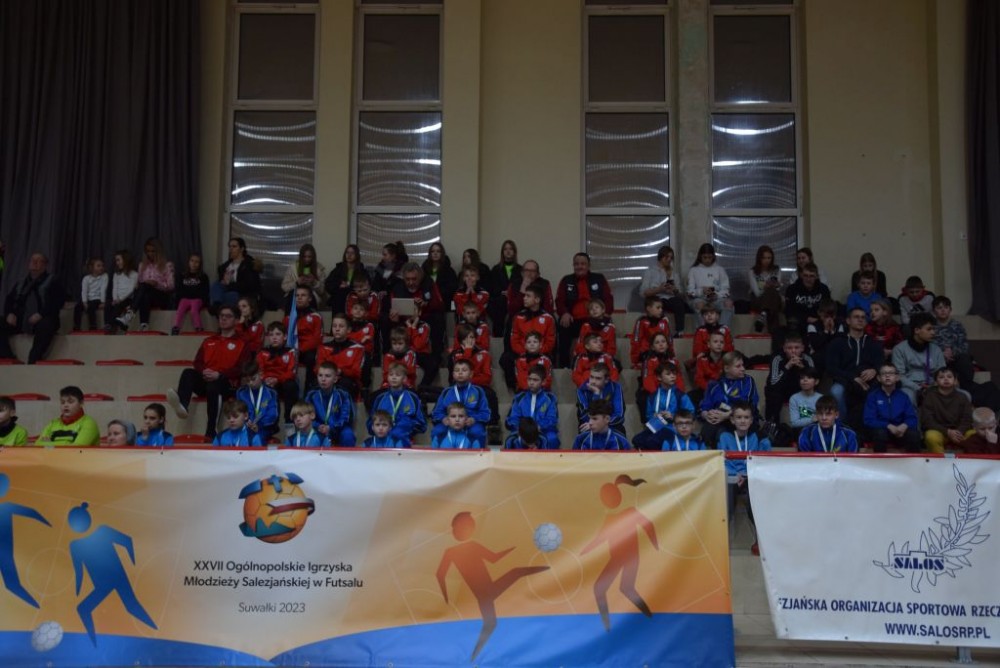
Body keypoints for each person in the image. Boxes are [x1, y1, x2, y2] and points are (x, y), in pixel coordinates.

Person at [166, 304, 250, 439]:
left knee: (214, 385)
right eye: (221, 316)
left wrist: (220, 374)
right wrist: (204, 371)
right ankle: (183, 405)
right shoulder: (209, 340)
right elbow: (197, 362)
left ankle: (211, 430)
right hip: (207, 380)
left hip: (228, 384)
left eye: (228, 316)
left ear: (236, 320)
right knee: (188, 372)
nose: (223, 319)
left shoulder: (242, 342)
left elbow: (242, 368)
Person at [718, 400, 771, 556]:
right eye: (739, 417)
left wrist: (748, 474)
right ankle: (720, 540)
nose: (742, 421)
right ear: (732, 420)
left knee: (753, 502)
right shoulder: (725, 436)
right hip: (732, 477)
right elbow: (722, 459)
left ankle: (761, 540)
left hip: (751, 476)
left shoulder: (758, 437)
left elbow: (765, 458)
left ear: (751, 420)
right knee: (726, 500)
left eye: (746, 417)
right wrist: (735, 475)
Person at [0, 253, 66, 364]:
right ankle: (8, 357)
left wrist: (41, 314)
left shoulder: (53, 280)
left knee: (46, 325)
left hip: (43, 318)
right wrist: (9, 314)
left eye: (38, 261)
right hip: (20, 320)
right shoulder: (21, 283)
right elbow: (9, 300)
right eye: (32, 260)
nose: (34, 263)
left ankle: (33, 359)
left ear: (45, 265)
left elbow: (58, 301)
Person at [825, 307, 883, 427]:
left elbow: (882, 364)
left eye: (863, 318)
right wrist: (852, 377)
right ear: (848, 320)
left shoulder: (873, 343)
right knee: (836, 391)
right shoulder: (837, 342)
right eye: (856, 317)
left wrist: (875, 370)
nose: (860, 320)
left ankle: (872, 426)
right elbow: (831, 368)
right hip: (844, 380)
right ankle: (842, 426)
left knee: (882, 391)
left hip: (868, 380)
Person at [556, 252, 613, 367]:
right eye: (576, 264)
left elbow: (608, 298)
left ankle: (605, 363)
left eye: (583, 264)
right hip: (573, 320)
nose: (579, 266)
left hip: (594, 319)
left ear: (588, 265)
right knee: (562, 327)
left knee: (608, 327)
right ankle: (564, 367)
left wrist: (605, 314)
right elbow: (559, 300)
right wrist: (564, 313)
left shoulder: (599, 278)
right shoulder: (566, 280)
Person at [699, 351, 760, 448]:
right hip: (719, 419)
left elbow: (747, 404)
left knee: (722, 433)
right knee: (707, 430)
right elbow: (705, 406)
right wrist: (708, 415)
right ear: (726, 368)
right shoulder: (714, 384)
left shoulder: (748, 381)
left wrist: (727, 415)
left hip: (741, 417)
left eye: (743, 365)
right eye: (738, 366)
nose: (743, 369)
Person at [501, 283, 556, 389]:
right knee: (506, 358)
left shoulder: (548, 318)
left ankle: (542, 389)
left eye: (528, 296)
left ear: (537, 300)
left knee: (544, 361)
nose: (524, 298)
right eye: (524, 295)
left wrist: (537, 350)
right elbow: (514, 339)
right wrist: (525, 351)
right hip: (522, 351)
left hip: (541, 352)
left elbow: (550, 341)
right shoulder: (518, 317)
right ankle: (516, 387)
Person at [387, 262, 446, 358]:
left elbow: (440, 304)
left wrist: (426, 304)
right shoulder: (397, 288)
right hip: (404, 319)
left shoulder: (429, 284)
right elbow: (393, 307)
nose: (411, 282)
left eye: (414, 279)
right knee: (386, 321)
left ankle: (436, 357)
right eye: (407, 279)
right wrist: (394, 317)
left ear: (420, 277)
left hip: (425, 317)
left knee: (438, 319)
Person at [631, 364, 696, 451]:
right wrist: (654, 416)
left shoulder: (680, 395)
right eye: (668, 374)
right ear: (659, 377)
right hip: (656, 427)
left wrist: (673, 416)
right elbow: (648, 415)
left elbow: (691, 413)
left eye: (674, 373)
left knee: (652, 441)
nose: (672, 376)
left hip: (673, 428)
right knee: (636, 440)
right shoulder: (652, 396)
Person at [432, 358, 490, 447]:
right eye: (457, 370)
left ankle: (479, 454)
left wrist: (473, 419)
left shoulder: (478, 391)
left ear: (471, 374)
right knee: (437, 431)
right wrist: (443, 419)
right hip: (451, 423)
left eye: (464, 370)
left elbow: (485, 413)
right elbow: (437, 412)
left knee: (477, 431)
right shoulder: (446, 392)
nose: (460, 373)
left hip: (471, 423)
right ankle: (436, 454)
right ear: (453, 374)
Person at [863, 364, 920, 453]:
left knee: (914, 434)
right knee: (879, 433)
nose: (887, 376)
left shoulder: (903, 396)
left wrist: (904, 426)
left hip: (900, 431)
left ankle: (914, 461)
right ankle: (879, 461)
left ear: (897, 377)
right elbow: (869, 420)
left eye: (891, 373)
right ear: (878, 378)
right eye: (884, 373)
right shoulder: (873, 396)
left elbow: (912, 418)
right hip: (881, 430)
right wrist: (888, 426)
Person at [891, 312, 946, 405]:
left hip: (933, 386)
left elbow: (942, 372)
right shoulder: (899, 349)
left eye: (933, 329)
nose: (933, 332)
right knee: (907, 396)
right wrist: (919, 388)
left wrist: (934, 385)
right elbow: (899, 376)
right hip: (909, 387)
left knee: (965, 395)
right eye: (929, 329)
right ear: (916, 330)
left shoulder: (936, 349)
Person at [368, 363, 425, 445]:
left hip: (404, 438)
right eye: (391, 375)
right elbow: (371, 421)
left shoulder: (413, 397)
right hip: (383, 438)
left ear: (404, 379)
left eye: (397, 375)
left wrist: (406, 428)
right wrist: (381, 429)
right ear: (387, 377)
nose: (393, 377)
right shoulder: (380, 398)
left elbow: (421, 423)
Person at [920, 367, 974, 453]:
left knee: (973, 434)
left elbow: (967, 419)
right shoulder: (930, 396)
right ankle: (940, 461)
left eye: (949, 376)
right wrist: (947, 432)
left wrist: (958, 432)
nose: (946, 379)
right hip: (939, 431)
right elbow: (928, 420)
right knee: (930, 437)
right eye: (941, 377)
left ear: (955, 381)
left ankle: (969, 461)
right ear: (936, 382)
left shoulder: (962, 397)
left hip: (959, 432)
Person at [763, 333, 814, 424]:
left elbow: (813, 381)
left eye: (796, 348)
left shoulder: (807, 359)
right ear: (784, 349)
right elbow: (773, 383)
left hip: (798, 390)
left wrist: (802, 368)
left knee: (807, 393)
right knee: (773, 394)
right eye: (789, 348)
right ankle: (771, 425)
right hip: (781, 390)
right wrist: (787, 367)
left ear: (802, 348)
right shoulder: (777, 358)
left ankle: (806, 424)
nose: (793, 351)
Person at [506, 365, 560, 449]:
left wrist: (536, 427)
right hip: (522, 432)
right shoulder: (519, 398)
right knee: (511, 440)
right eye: (529, 379)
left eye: (535, 380)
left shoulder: (550, 399)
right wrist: (524, 429)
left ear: (543, 382)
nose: (531, 382)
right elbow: (513, 419)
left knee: (552, 439)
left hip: (542, 431)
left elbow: (552, 419)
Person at [256, 322, 299, 425]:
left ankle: (289, 420)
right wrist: (265, 378)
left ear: (285, 337)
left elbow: (291, 372)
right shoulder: (262, 352)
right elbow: (259, 369)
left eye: (278, 334)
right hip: (268, 382)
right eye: (271, 335)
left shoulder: (290, 352)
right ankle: (272, 424)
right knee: (267, 388)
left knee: (291, 385)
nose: (274, 337)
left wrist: (277, 379)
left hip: (283, 382)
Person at [304, 362, 356, 446]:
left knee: (348, 435)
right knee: (308, 433)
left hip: (338, 429)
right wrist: (317, 426)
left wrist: (331, 427)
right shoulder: (311, 395)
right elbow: (306, 416)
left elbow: (347, 418)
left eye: (327, 376)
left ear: (335, 379)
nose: (323, 379)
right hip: (318, 429)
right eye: (320, 375)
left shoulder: (343, 395)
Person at [315, 313, 366, 398]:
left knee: (345, 384)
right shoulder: (323, 347)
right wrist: (332, 373)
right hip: (327, 378)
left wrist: (340, 371)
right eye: (334, 326)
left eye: (341, 326)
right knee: (316, 383)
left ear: (349, 330)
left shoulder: (358, 348)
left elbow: (356, 372)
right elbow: (318, 368)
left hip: (348, 381)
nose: (337, 329)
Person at [640, 244, 687, 336]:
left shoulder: (674, 274)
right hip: (656, 298)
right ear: (661, 257)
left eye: (671, 258)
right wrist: (659, 289)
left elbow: (682, 295)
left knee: (679, 303)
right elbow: (644, 292)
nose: (669, 259)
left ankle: (679, 332)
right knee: (657, 304)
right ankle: (658, 330)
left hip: (671, 299)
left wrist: (674, 290)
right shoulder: (650, 271)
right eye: (666, 257)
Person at [636, 333, 684, 420]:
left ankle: (676, 419)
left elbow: (679, 380)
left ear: (667, 345)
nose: (661, 344)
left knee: (682, 397)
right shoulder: (648, 361)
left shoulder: (674, 361)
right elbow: (648, 381)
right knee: (642, 397)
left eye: (663, 341)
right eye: (657, 342)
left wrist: (675, 392)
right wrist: (660, 395)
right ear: (652, 347)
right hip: (654, 391)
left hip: (671, 390)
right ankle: (649, 422)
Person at [686, 243, 733, 328]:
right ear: (700, 257)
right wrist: (701, 291)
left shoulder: (720, 270)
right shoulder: (693, 270)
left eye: (709, 257)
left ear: (713, 257)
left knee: (728, 303)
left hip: (717, 299)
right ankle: (703, 330)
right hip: (699, 298)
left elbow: (726, 290)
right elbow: (690, 292)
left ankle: (722, 330)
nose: (707, 260)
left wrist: (716, 295)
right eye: (705, 257)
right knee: (699, 304)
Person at [932, 295, 975, 388]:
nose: (943, 310)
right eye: (939, 308)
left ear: (950, 310)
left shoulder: (958, 325)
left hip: (955, 358)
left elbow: (964, 346)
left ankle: (966, 389)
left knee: (965, 359)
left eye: (946, 307)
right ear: (934, 311)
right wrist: (942, 353)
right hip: (937, 358)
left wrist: (952, 352)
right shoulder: (930, 326)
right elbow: (929, 345)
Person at [133, 237, 175, 331]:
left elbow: (171, 286)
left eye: (153, 251)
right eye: (148, 251)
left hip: (161, 296)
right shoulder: (142, 265)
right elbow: (139, 283)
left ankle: (131, 312)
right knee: (144, 291)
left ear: (158, 251)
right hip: (146, 295)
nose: (150, 254)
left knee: (145, 288)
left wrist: (156, 284)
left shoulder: (167, 265)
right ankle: (144, 325)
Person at [210, 237, 261, 311]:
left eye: (234, 246)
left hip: (241, 294)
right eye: (230, 246)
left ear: (242, 249)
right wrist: (223, 281)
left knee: (230, 296)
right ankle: (217, 305)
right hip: (226, 290)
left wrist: (229, 285)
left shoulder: (249, 265)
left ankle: (219, 308)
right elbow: (222, 281)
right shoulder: (226, 265)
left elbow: (248, 285)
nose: (231, 249)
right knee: (216, 285)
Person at [235, 361, 280, 444]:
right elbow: (239, 411)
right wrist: (246, 422)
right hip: (246, 427)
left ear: (261, 375)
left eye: (253, 379)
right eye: (247, 381)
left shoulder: (271, 393)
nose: (251, 383)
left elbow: (273, 414)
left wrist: (259, 425)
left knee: (257, 439)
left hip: (264, 428)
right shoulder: (241, 392)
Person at [576, 363, 625, 435]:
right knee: (584, 430)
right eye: (591, 377)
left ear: (606, 380)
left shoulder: (616, 388)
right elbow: (584, 416)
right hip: (589, 424)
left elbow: (619, 415)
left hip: (611, 425)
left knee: (620, 431)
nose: (593, 381)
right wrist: (596, 394)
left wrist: (602, 424)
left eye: (598, 378)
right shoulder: (582, 390)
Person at [784, 262, 831, 336]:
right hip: (799, 322)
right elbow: (789, 310)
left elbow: (827, 308)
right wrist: (806, 318)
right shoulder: (792, 289)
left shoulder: (824, 289)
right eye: (805, 276)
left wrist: (819, 319)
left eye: (811, 276)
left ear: (816, 277)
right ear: (801, 276)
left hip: (818, 321)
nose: (808, 279)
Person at [747, 245, 784, 333]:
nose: (767, 260)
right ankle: (775, 333)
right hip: (758, 300)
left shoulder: (776, 270)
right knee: (772, 300)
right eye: (764, 258)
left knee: (772, 292)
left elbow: (777, 289)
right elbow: (757, 293)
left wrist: (777, 285)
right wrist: (765, 287)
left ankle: (763, 314)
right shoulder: (752, 272)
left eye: (769, 258)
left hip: (774, 298)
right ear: (759, 258)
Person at [281, 243, 327, 312]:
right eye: (304, 257)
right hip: (295, 294)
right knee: (292, 298)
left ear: (313, 257)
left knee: (309, 299)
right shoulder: (292, 268)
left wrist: (314, 282)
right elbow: (284, 287)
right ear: (301, 257)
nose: (307, 259)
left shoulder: (319, 269)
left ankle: (310, 317)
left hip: (311, 296)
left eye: (309, 257)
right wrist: (297, 283)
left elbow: (322, 291)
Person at [489, 240, 522, 336]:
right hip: (499, 300)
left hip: (515, 299)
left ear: (514, 252)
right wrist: (501, 292)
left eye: (510, 249)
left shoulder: (520, 269)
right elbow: (492, 286)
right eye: (505, 249)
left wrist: (511, 293)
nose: (508, 251)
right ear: (502, 252)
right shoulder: (496, 269)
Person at [630, 296, 672, 369]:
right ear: (649, 308)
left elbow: (669, 340)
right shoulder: (641, 322)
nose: (661, 310)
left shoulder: (664, 322)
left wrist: (671, 355)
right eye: (658, 308)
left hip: (662, 354)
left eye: (661, 308)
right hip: (646, 354)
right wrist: (635, 361)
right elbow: (636, 341)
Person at [172, 253, 209, 335]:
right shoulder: (182, 275)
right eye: (192, 261)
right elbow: (179, 289)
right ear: (188, 262)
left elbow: (205, 291)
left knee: (194, 310)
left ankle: (198, 327)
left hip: (197, 299)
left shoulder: (203, 276)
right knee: (180, 308)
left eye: (197, 262)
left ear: (200, 264)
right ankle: (176, 327)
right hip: (185, 298)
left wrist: (204, 301)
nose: (194, 264)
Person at [325, 244, 365, 314]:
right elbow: (328, 284)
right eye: (347, 252)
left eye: (352, 253)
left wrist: (350, 286)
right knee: (339, 295)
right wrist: (339, 285)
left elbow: (365, 286)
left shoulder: (361, 270)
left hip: (355, 299)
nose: (349, 255)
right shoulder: (338, 269)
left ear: (357, 255)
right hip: (339, 299)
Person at [105, 249, 138, 333]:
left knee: (118, 306)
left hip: (127, 299)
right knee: (108, 305)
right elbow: (115, 287)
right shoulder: (116, 274)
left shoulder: (134, 274)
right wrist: (115, 299)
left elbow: (131, 289)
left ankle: (113, 325)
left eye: (118, 260)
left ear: (126, 260)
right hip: (118, 298)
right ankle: (108, 324)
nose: (117, 263)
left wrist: (120, 299)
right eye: (116, 260)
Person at [421, 242, 459, 312]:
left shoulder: (449, 271)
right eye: (433, 251)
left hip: (445, 305)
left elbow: (453, 290)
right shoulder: (425, 269)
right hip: (427, 306)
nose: (435, 253)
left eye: (438, 251)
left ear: (442, 254)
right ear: (430, 254)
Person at [73, 257, 107, 331]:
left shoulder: (104, 277)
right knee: (77, 307)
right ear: (92, 268)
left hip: (97, 299)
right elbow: (84, 291)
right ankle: (76, 326)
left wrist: (103, 302)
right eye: (98, 266)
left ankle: (93, 326)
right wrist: (84, 302)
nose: (101, 267)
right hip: (88, 299)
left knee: (91, 307)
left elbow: (103, 290)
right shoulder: (86, 278)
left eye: (102, 266)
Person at [787, 367, 822, 436]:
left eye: (809, 377)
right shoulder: (794, 398)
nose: (805, 380)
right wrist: (812, 420)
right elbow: (794, 423)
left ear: (816, 381)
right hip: (801, 430)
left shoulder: (821, 398)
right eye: (802, 378)